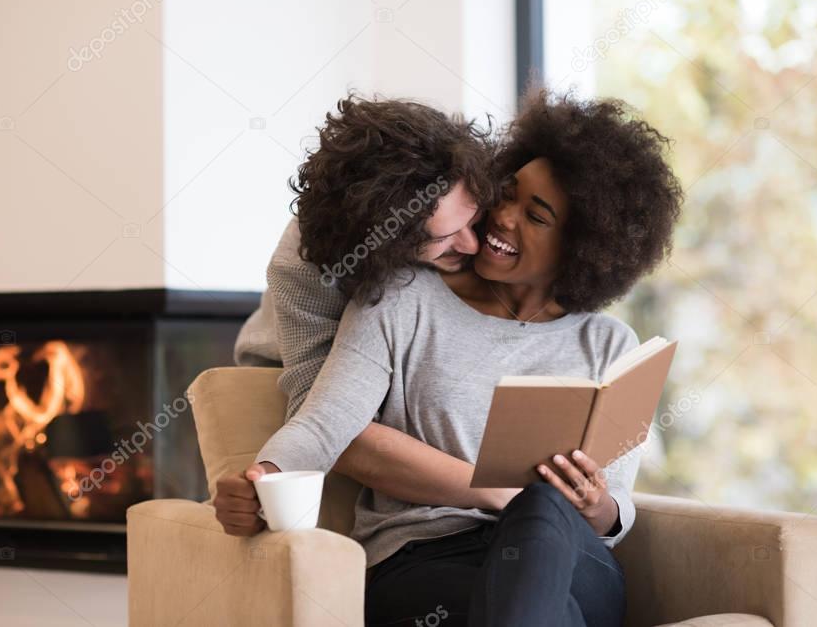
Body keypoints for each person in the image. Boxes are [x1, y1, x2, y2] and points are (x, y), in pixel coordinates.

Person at [223, 90, 684, 626]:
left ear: (583, 245)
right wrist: (265, 474)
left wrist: (593, 505)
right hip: (428, 558)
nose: (499, 219)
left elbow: (616, 512)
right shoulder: (398, 298)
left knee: (541, 507)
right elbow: (325, 420)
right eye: (506, 195)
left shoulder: (612, 345)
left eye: (534, 216)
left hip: (570, 560)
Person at [221, 93, 512, 536]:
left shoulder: (460, 187)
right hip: (285, 362)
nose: (473, 247)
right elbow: (330, 427)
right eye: (446, 237)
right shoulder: (303, 268)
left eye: (473, 223)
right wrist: (495, 491)